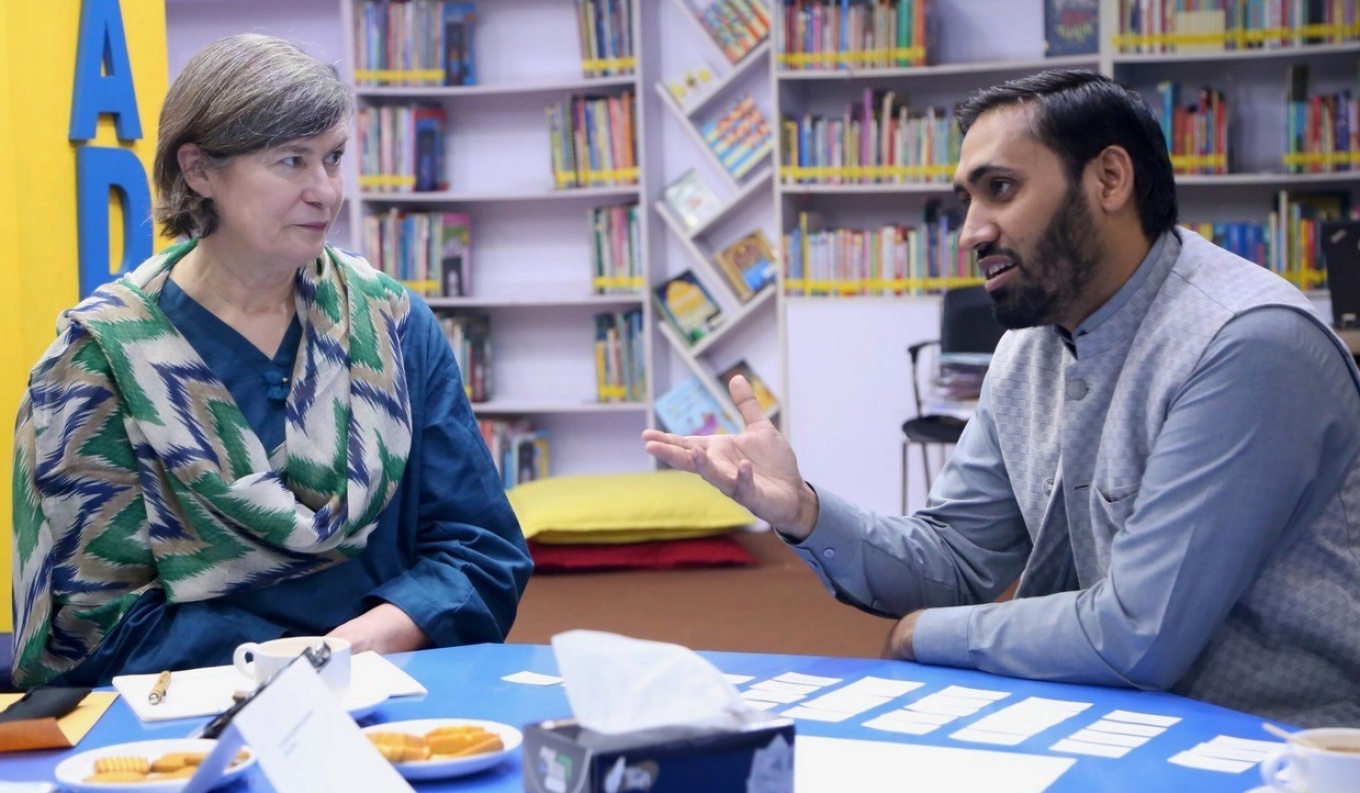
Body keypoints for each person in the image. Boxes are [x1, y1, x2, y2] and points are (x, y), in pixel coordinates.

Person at [644, 69, 1360, 727]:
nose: (970, 232)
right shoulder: (1031, 345)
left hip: (1274, 741)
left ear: (1110, 178)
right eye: (968, 198)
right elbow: (954, 559)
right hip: (1115, 717)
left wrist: (924, 632)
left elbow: (1138, 633)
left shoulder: (1246, 344)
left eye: (1002, 190)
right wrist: (801, 508)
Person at [10, 34, 532, 689]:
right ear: (199, 170)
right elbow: (96, 627)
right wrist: (295, 670)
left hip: (390, 696)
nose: (326, 191)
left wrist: (348, 647)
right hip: (187, 734)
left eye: (333, 159)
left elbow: (480, 548)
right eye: (291, 161)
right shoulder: (97, 363)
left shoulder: (392, 326)